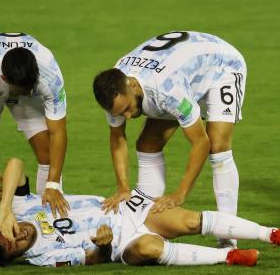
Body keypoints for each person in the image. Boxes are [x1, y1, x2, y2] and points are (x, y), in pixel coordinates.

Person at [0, 158, 280, 267]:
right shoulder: (45, 257)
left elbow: (14, 165)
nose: (18, 234)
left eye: (9, 233)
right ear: (18, 256)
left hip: (127, 211)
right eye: (16, 245)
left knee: (190, 220)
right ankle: (230, 257)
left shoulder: (21, 208)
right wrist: (104, 245)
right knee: (150, 247)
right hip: (121, 244)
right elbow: (93, 259)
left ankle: (271, 234)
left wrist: (5, 209)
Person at [92, 31, 247, 247]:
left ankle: (228, 236)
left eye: (127, 109)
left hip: (221, 67)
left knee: (218, 146)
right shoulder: (113, 90)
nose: (127, 117)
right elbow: (117, 138)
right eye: (120, 113)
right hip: (182, 73)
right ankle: (146, 221)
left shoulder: (168, 90)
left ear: (133, 87)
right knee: (147, 144)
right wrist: (123, 188)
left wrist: (180, 194)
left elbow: (201, 143)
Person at [0, 32, 70, 264]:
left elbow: (58, 131)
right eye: (23, 87)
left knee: (47, 155)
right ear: (4, 77)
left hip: (27, 92)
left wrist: (52, 183)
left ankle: (48, 230)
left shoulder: (48, 73)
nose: (28, 90)